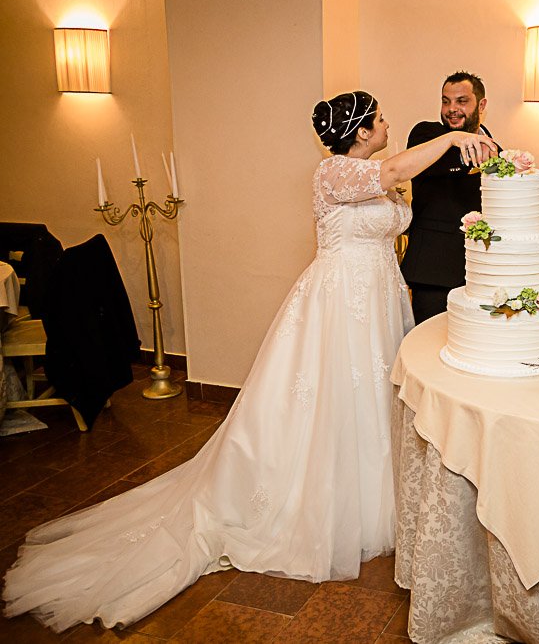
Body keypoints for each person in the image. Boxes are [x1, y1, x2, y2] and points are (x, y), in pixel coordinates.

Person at [2, 91, 496, 632]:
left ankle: (371, 500)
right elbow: (396, 168)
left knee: (374, 403)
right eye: (378, 121)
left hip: (379, 299)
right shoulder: (332, 173)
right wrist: (449, 136)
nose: (386, 126)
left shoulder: (374, 171)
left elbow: (395, 187)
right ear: (359, 132)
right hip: (338, 304)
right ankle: (309, 504)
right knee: (331, 401)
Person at [400, 71, 499, 323]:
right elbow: (447, 160)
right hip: (432, 271)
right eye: (446, 101)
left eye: (461, 101)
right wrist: (475, 146)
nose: (451, 109)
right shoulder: (426, 135)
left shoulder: (498, 151)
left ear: (482, 105)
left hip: (481, 275)